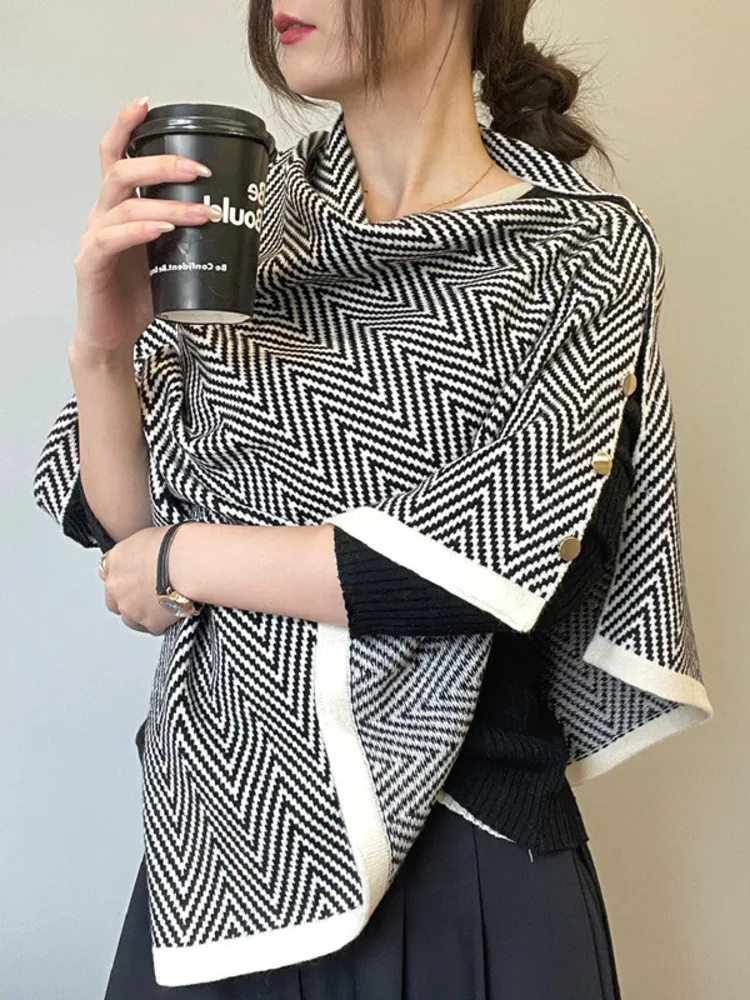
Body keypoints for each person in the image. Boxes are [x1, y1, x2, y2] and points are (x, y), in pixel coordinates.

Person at [32, 0, 712, 997]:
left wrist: (188, 558)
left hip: (465, 860)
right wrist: (104, 348)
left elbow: (486, 564)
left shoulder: (579, 249)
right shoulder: (238, 222)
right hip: (217, 850)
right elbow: (128, 540)